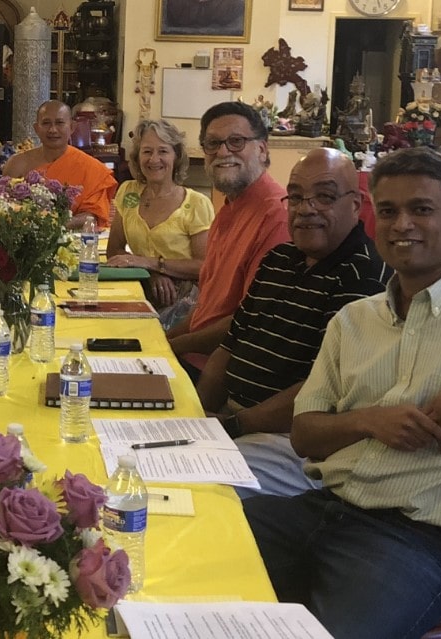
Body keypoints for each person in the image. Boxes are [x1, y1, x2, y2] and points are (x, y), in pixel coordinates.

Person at [244, 147, 441, 638]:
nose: (401, 223)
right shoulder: (354, 320)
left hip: (417, 536)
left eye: (421, 209)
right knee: (182, 551)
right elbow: (304, 434)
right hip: (320, 505)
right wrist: (369, 421)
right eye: (388, 211)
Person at [197, 148, 390, 498]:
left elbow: (320, 391)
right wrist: (196, 415)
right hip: (232, 421)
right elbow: (230, 345)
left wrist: (231, 425)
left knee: (195, 486)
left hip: (292, 440)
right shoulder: (279, 259)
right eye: (296, 197)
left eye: (325, 197)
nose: (306, 208)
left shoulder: (364, 274)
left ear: (356, 204)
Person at [167, 101, 290, 380]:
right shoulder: (228, 210)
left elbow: (251, 321)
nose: (223, 152)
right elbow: (208, 308)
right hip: (194, 356)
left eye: (236, 142)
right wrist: (161, 340)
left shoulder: (276, 217)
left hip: (223, 373)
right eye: (213, 143)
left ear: (262, 149)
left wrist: (170, 347)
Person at [106, 119, 214, 329]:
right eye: (147, 151)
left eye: (163, 151)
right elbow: (114, 249)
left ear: (176, 156)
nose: (154, 159)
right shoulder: (129, 192)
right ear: (137, 157)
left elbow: (204, 267)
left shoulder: (196, 203)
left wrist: (152, 264)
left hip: (184, 301)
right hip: (140, 286)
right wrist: (151, 273)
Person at [2, 100, 118, 230]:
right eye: (46, 123)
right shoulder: (17, 164)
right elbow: (1, 207)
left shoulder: (91, 167)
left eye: (60, 123)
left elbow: (92, 215)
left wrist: (54, 225)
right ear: (36, 128)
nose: (53, 130)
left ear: (72, 127)